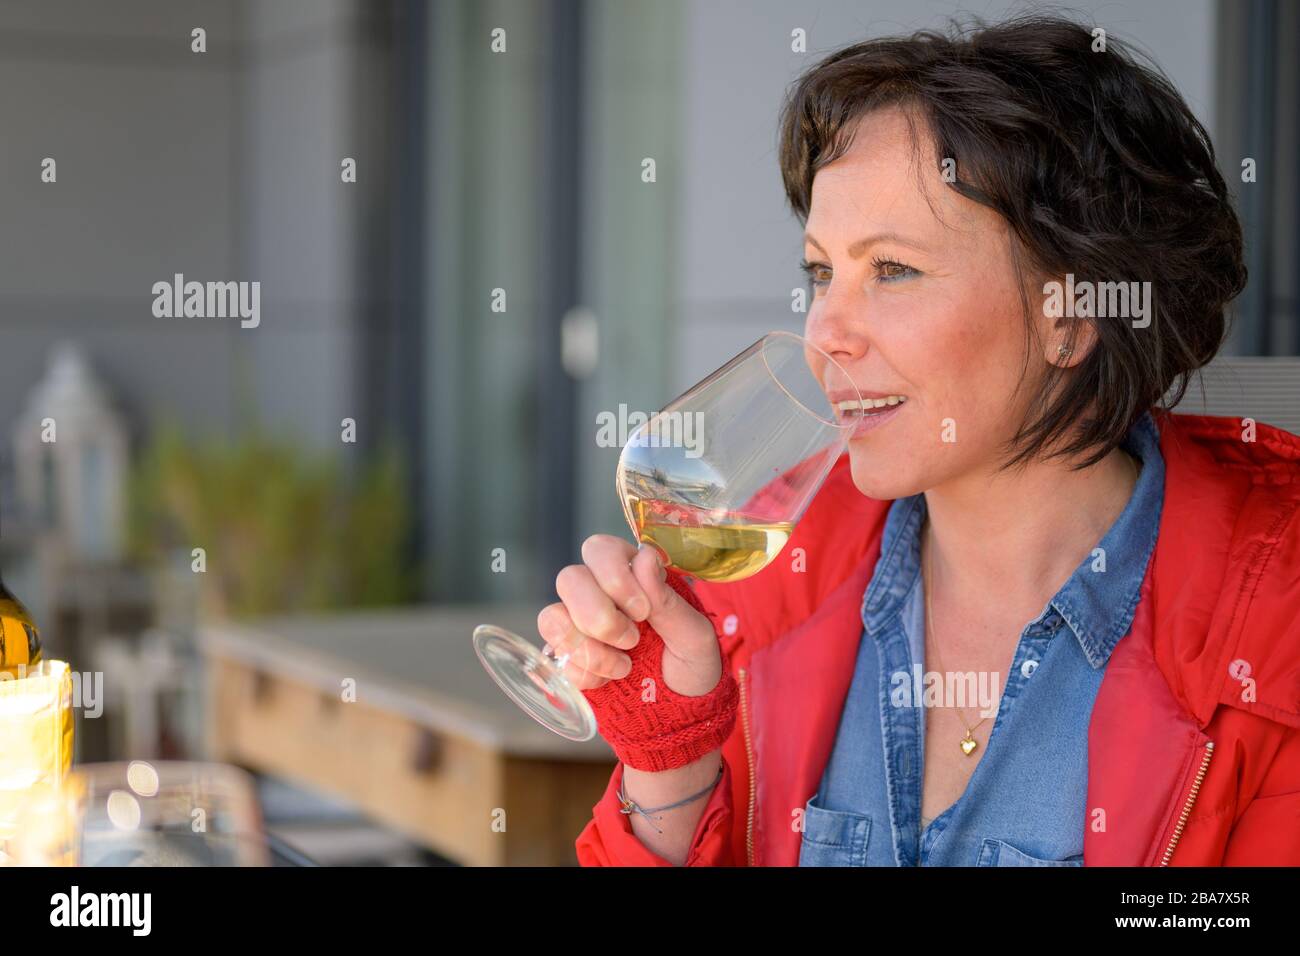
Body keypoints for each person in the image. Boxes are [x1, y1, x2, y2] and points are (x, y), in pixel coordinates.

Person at [535, 15, 1300, 866]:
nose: (825, 330)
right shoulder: (759, 605)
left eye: (892, 270)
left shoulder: (1274, 637)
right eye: (822, 272)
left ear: (1074, 314)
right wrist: (669, 759)